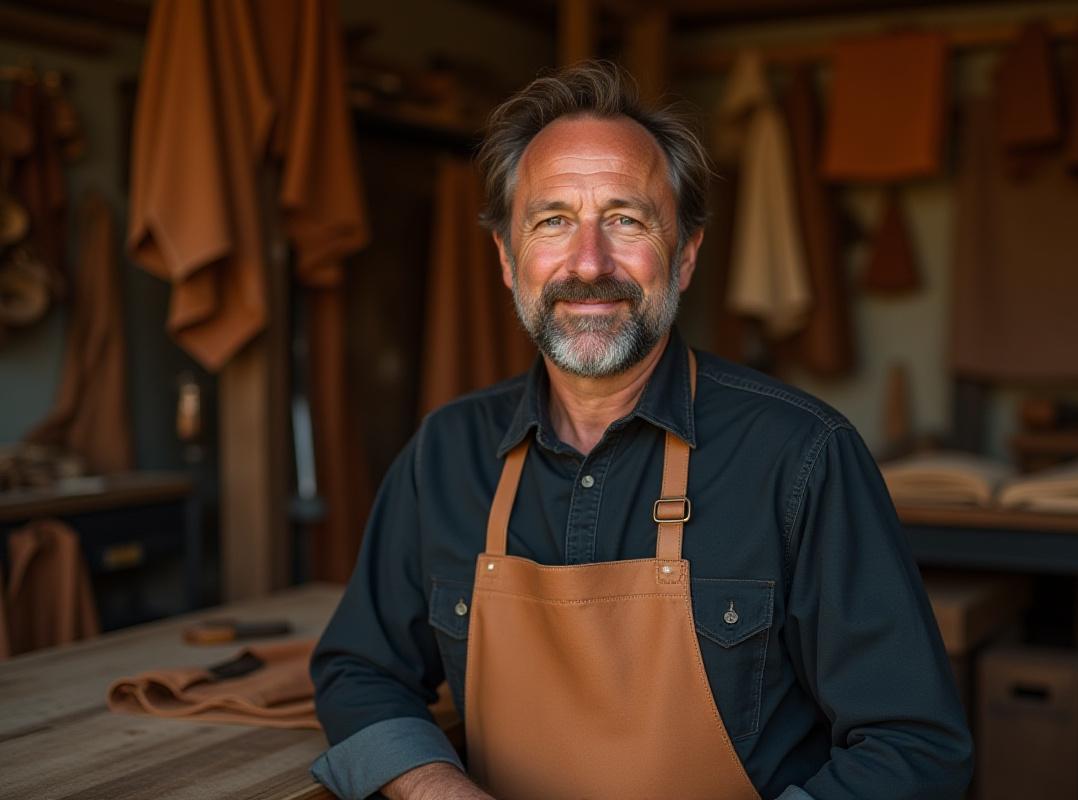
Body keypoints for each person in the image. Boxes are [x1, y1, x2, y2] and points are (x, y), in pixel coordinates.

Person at [310, 61, 971, 800]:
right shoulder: (447, 452)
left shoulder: (801, 455)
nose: (589, 264)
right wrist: (437, 787)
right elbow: (358, 670)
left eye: (626, 220)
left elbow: (915, 744)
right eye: (553, 220)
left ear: (684, 255)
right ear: (506, 258)